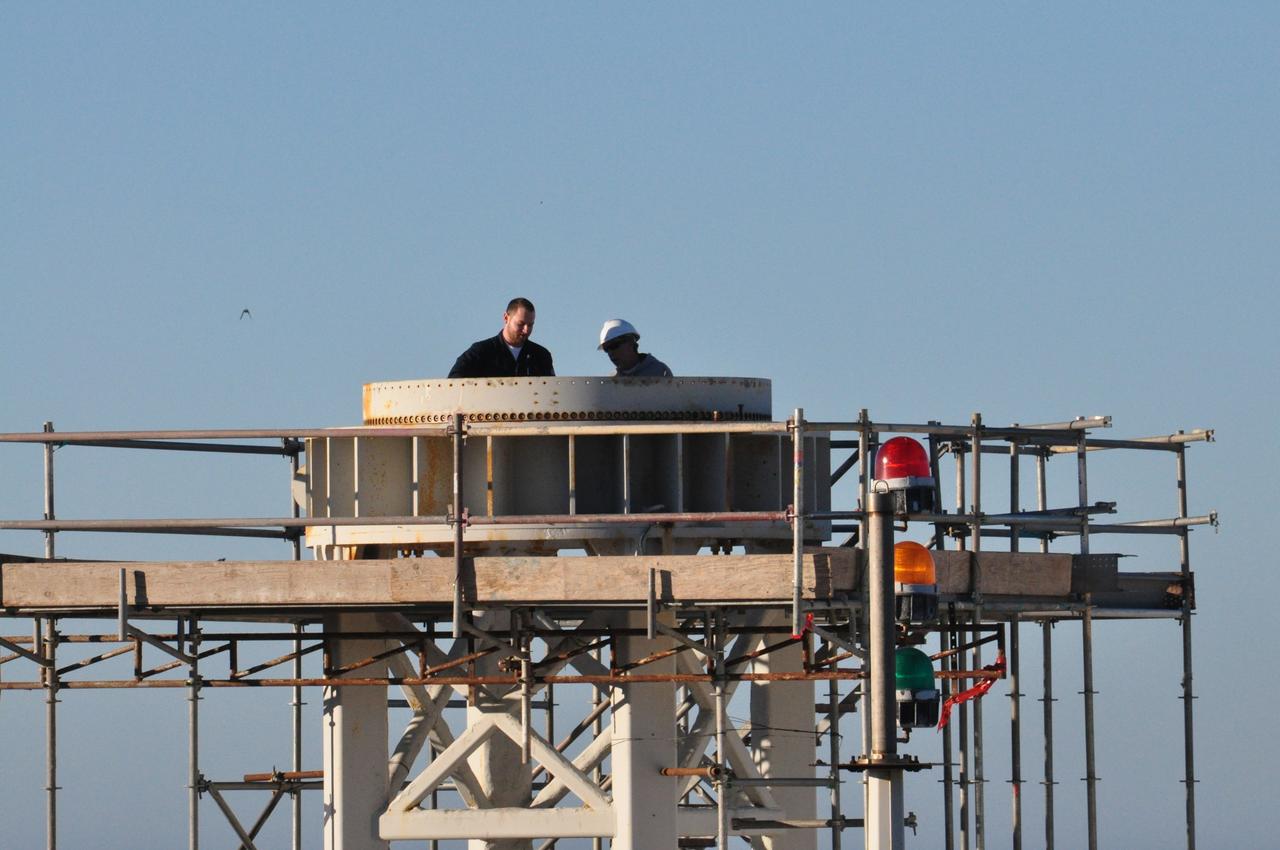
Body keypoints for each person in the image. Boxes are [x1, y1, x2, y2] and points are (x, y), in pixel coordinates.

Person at [449, 298, 555, 378]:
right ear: (506, 318)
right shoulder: (481, 352)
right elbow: (453, 382)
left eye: (530, 325)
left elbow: (553, 391)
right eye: (521, 324)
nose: (526, 330)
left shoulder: (541, 356)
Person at [598, 319, 672, 377]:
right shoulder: (611, 381)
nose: (611, 352)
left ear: (630, 343)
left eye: (614, 346)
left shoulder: (659, 371)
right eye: (606, 349)